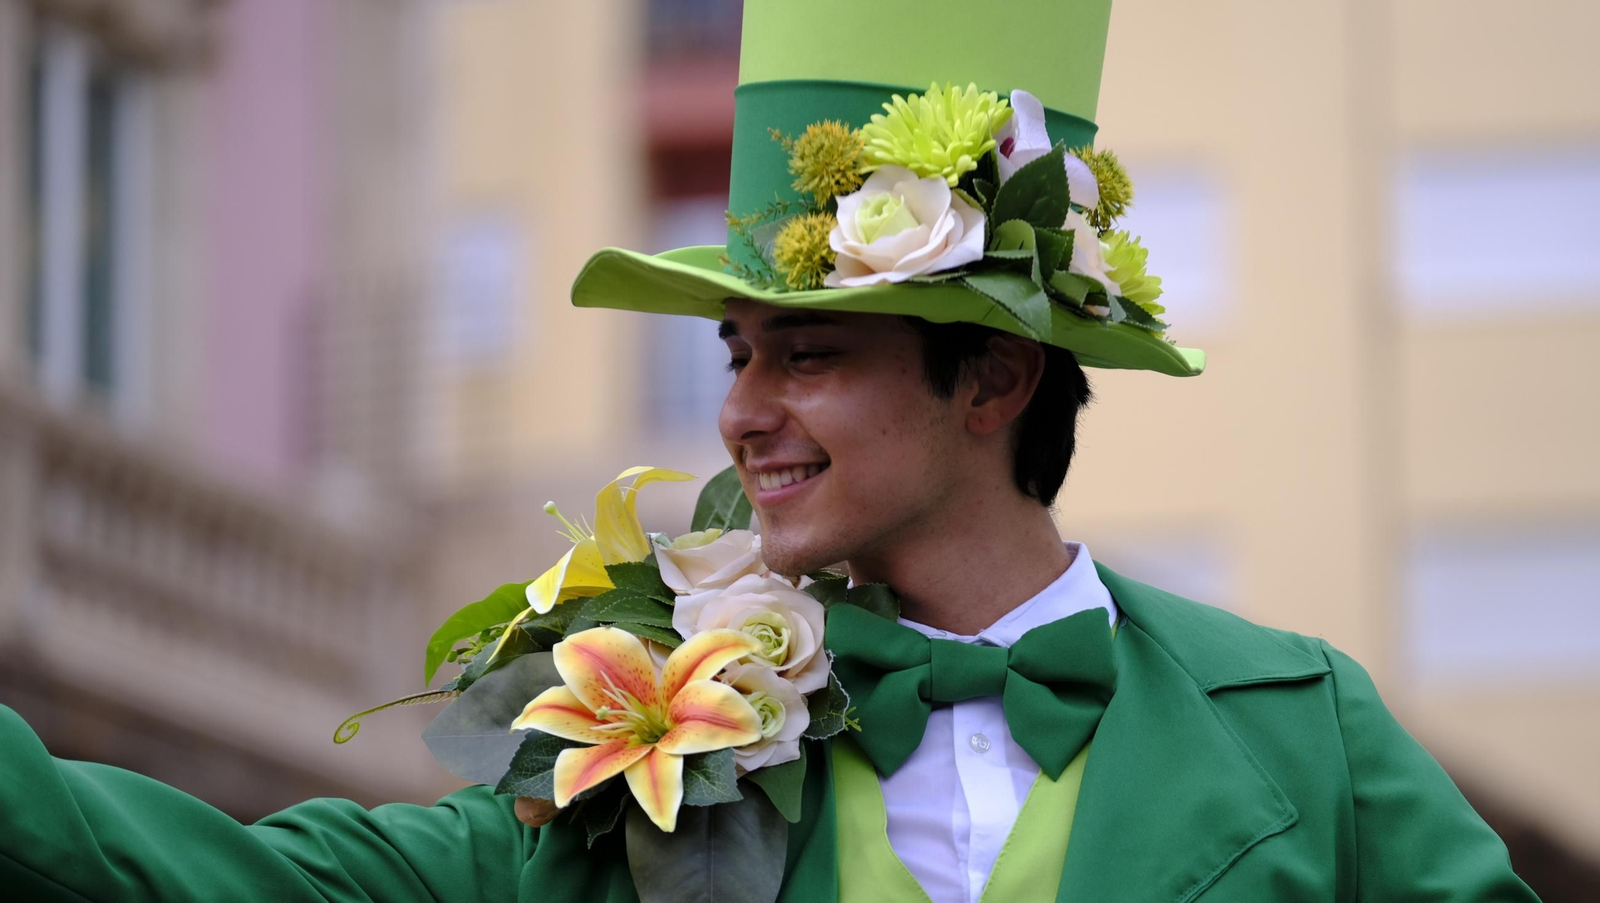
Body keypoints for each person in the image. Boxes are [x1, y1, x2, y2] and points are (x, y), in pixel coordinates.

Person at [0, 0, 1541, 900]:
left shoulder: (1303, 731)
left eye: (807, 352)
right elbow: (278, 883)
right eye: (736, 354)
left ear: (994, 378)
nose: (742, 412)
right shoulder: (656, 725)